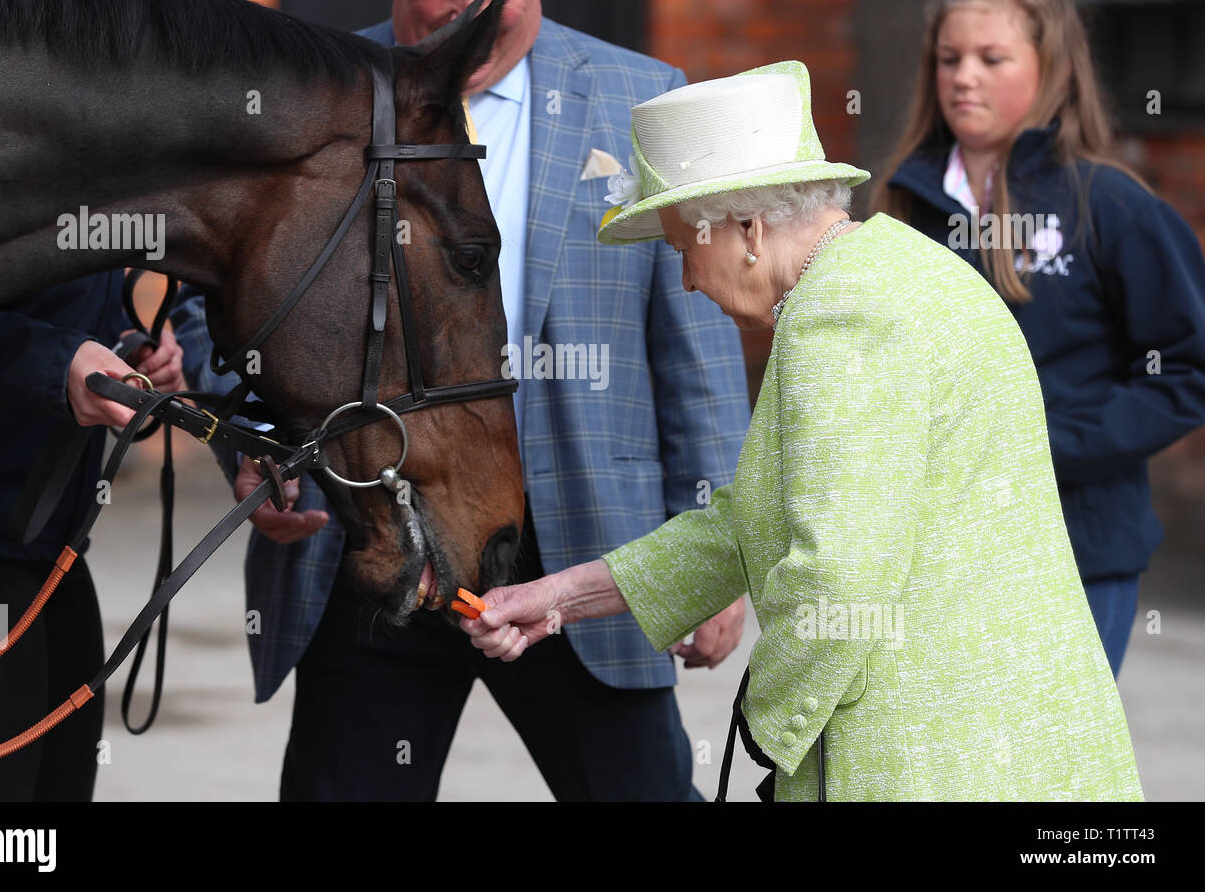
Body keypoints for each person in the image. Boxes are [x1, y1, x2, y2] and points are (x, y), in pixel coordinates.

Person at [460, 60, 1144, 801]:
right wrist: (560, 596)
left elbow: (836, 571)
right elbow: (759, 520)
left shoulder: (839, 315)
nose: (686, 281)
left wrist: (769, 719)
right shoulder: (900, 268)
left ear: (749, 227)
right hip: (1009, 745)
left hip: (932, 756)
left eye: (684, 248)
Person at [170, 0, 751, 801]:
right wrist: (252, 444)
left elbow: (696, 337)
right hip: (375, 538)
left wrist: (713, 556)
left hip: (584, 547)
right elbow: (209, 298)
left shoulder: (642, 100)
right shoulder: (305, 94)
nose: (474, 12)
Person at [0, 0, 186, 802]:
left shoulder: (71, 78)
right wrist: (52, 366)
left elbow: (72, 296)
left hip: (52, 549)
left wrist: (129, 351)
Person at [869, 0, 1205, 678]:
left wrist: (1044, 446)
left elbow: (1186, 369)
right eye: (949, 59)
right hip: (930, 552)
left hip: (1076, 549)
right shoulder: (899, 203)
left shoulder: (1110, 205)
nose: (964, 77)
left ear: (1050, 68)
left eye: (992, 59)